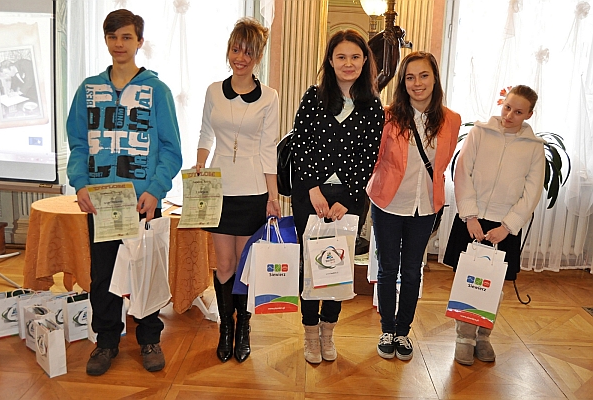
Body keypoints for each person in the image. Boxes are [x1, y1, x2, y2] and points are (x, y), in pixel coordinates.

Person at [66, 9, 182, 376]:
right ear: (106, 40)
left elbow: (171, 150)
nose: (119, 44)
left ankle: (149, 338)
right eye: (113, 37)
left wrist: (156, 190)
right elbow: (78, 143)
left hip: (142, 203)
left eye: (127, 37)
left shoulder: (157, 91)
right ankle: (106, 341)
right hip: (102, 204)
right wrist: (80, 183)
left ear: (139, 42)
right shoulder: (88, 90)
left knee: (146, 271)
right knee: (103, 276)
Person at [291, 29, 384, 364]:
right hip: (310, 195)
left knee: (336, 265)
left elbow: (369, 157)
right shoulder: (313, 97)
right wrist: (314, 189)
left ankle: (328, 332)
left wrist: (349, 197)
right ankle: (309, 333)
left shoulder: (373, 105)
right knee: (310, 264)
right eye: (341, 57)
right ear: (330, 61)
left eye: (355, 57)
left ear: (365, 61)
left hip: (349, 199)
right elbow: (300, 146)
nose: (348, 63)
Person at [366, 51, 461, 361]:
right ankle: (387, 329)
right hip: (388, 203)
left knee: (411, 271)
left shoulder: (451, 120)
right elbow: (374, 160)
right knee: (387, 269)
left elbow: (442, 164)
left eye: (423, 75)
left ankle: (403, 331)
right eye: (410, 77)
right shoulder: (387, 116)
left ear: (435, 79)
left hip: (426, 207)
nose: (417, 83)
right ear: (402, 82)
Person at [196, 17, 280, 364]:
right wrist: (200, 165)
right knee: (224, 263)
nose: (240, 58)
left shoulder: (269, 97)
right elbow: (205, 133)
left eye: (248, 52)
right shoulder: (214, 91)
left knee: (244, 265)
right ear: (228, 51)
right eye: (235, 49)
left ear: (258, 56)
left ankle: (243, 327)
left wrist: (273, 196)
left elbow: (269, 148)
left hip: (252, 190)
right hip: (218, 187)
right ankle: (225, 329)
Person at [443, 85, 545, 365]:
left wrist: (508, 226)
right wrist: (470, 216)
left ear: (529, 114)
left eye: (518, 112)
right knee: (467, 281)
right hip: (473, 220)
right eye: (507, 107)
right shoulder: (479, 132)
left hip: (503, 226)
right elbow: (463, 171)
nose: (509, 115)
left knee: (493, 285)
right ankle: (464, 337)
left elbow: (532, 191)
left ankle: (483, 336)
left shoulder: (535, 147)